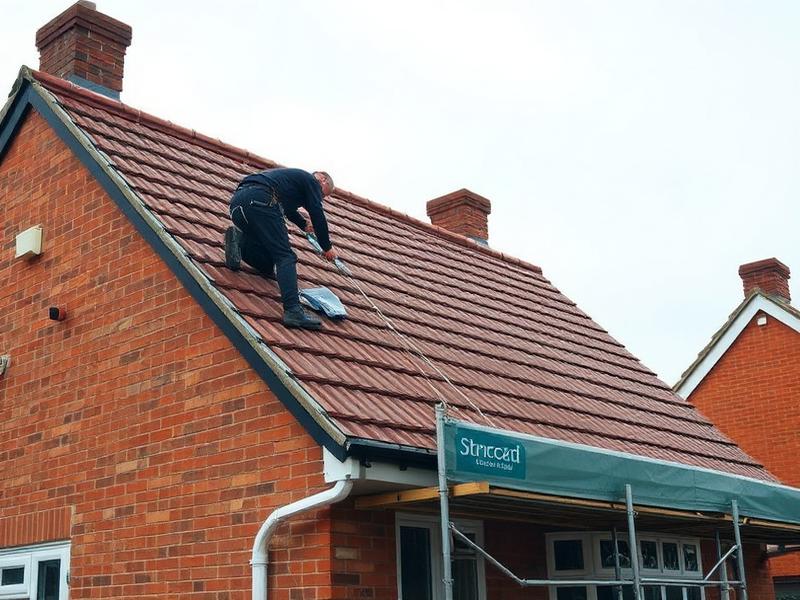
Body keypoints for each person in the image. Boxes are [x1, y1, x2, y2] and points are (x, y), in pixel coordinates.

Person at [225, 167, 339, 330]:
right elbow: (317, 213)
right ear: (322, 180)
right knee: (286, 256)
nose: (319, 197)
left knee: (267, 264)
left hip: (238, 204)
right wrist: (327, 247)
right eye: (322, 195)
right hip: (261, 201)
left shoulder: (290, 183)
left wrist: (303, 224)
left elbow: (288, 210)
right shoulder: (311, 180)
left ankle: (240, 242)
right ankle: (293, 311)